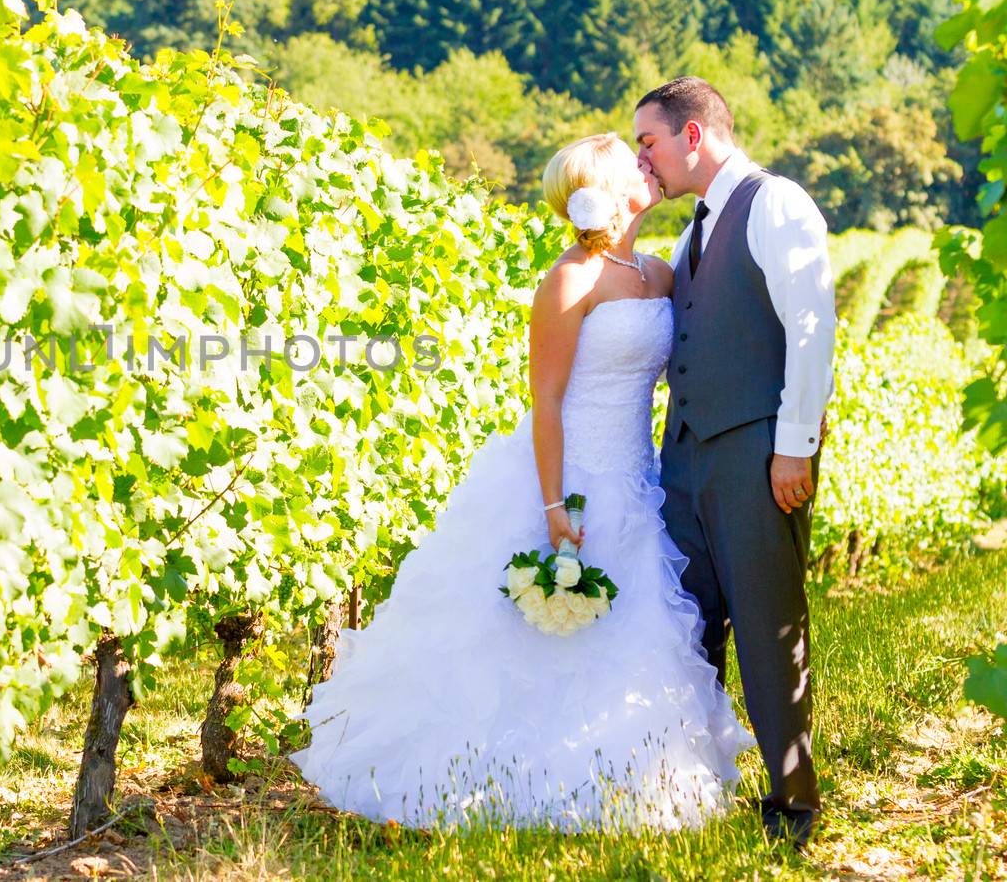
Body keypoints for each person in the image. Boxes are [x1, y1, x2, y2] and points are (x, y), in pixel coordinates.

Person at [290, 132, 755, 833]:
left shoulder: (657, 273)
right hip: (571, 479)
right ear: (605, 184)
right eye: (634, 163)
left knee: (636, 631)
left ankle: (636, 778)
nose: (647, 167)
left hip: (640, 480)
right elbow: (546, 401)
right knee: (537, 640)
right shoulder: (568, 280)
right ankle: (513, 782)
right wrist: (553, 504)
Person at [633, 76, 836, 848]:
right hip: (684, 458)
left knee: (766, 625)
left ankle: (793, 802)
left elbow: (811, 327)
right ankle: (699, 785)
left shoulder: (775, 203)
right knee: (692, 629)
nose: (642, 160)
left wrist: (793, 448)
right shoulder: (693, 230)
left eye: (648, 142)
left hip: (756, 453)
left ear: (693, 135)